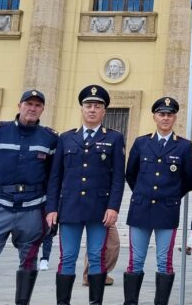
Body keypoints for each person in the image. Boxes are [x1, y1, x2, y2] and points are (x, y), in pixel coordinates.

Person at [0, 90, 58, 305]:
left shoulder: (50, 138)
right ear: (19, 105)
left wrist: (50, 205)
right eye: (29, 104)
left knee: (29, 260)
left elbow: (54, 176)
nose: (32, 108)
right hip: (0, 205)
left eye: (37, 105)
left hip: (33, 208)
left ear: (42, 109)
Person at [46, 84, 126, 305]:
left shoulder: (114, 138)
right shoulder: (66, 138)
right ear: (82, 108)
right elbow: (55, 177)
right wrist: (51, 208)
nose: (92, 109)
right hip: (70, 207)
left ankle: (95, 302)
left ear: (104, 111)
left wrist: (113, 207)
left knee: (97, 257)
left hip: (99, 210)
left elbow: (118, 178)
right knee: (67, 257)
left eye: (97, 106)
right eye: (88, 105)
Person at [122, 97, 192, 305]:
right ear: (154, 116)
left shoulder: (184, 146)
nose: (165, 118)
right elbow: (131, 174)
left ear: (174, 118)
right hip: (140, 209)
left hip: (167, 210)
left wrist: (172, 195)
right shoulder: (141, 142)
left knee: (164, 262)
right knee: (135, 261)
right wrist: (142, 193)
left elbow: (190, 179)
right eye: (161, 114)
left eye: (170, 114)